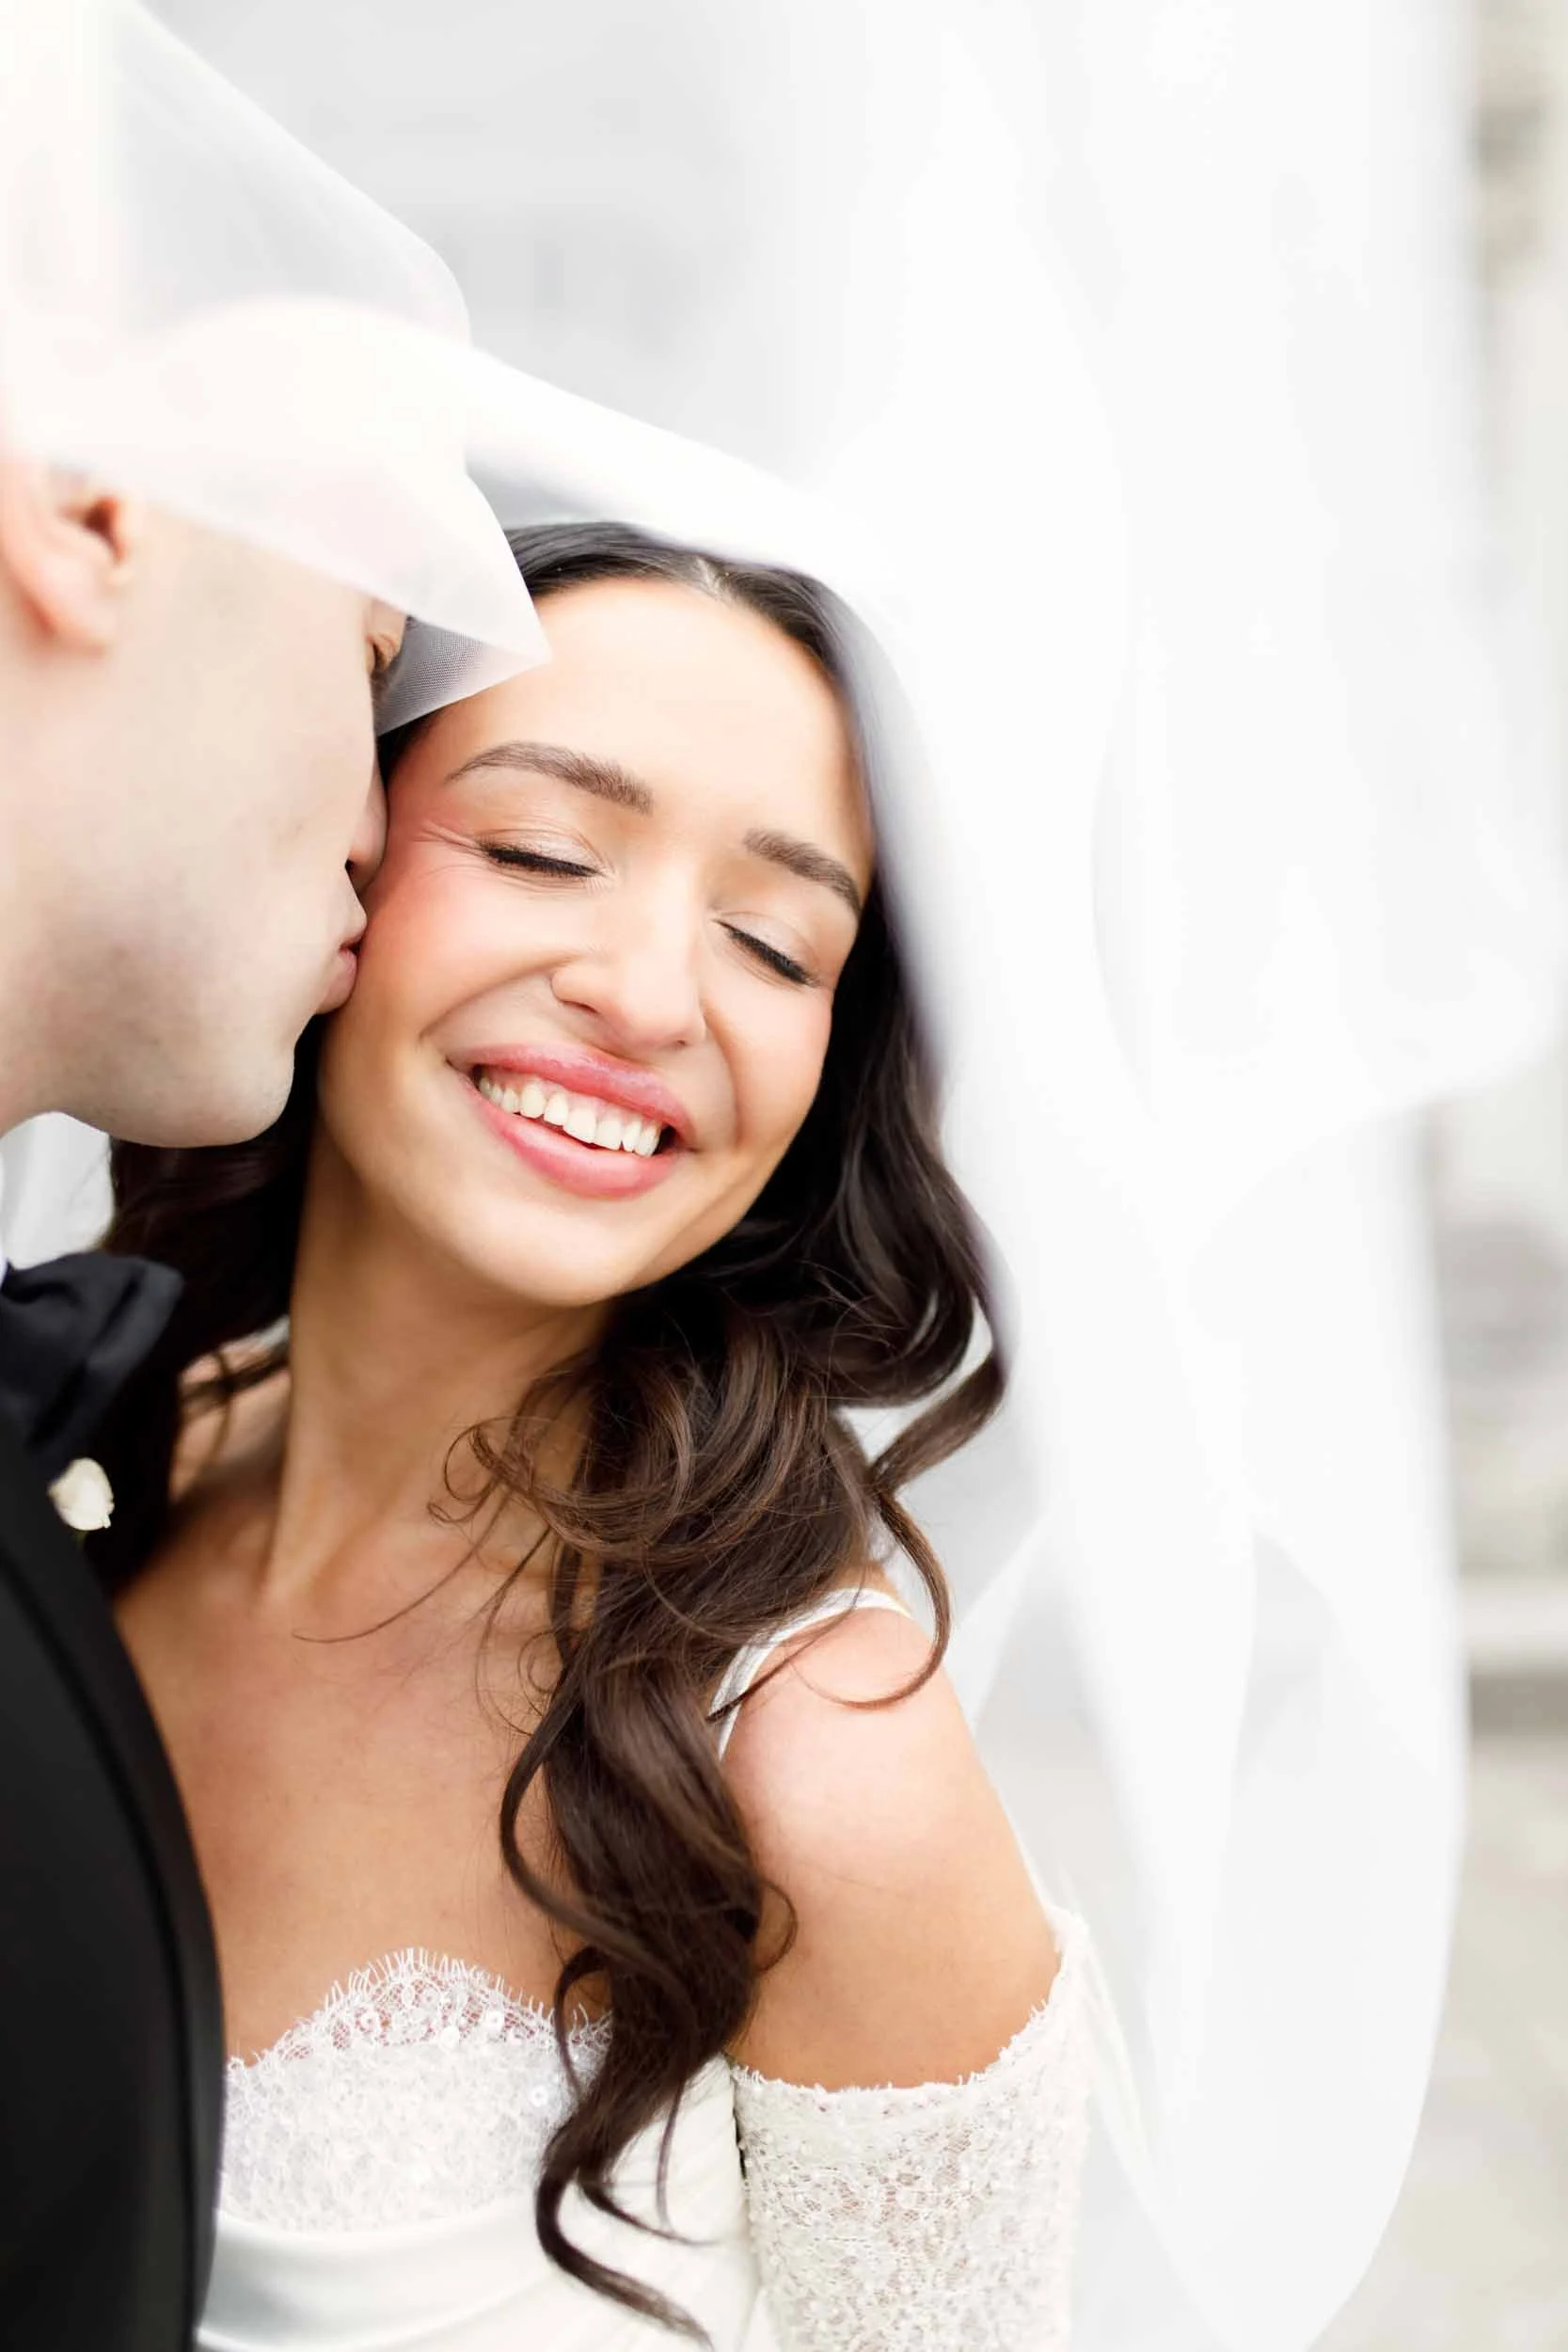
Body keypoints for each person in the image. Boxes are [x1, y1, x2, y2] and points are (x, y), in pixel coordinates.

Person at [89, 522, 1094, 2350]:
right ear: (336, 853)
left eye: (773, 944)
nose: (646, 995)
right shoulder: (106, 1478)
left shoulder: (817, 1769)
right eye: (544, 850)